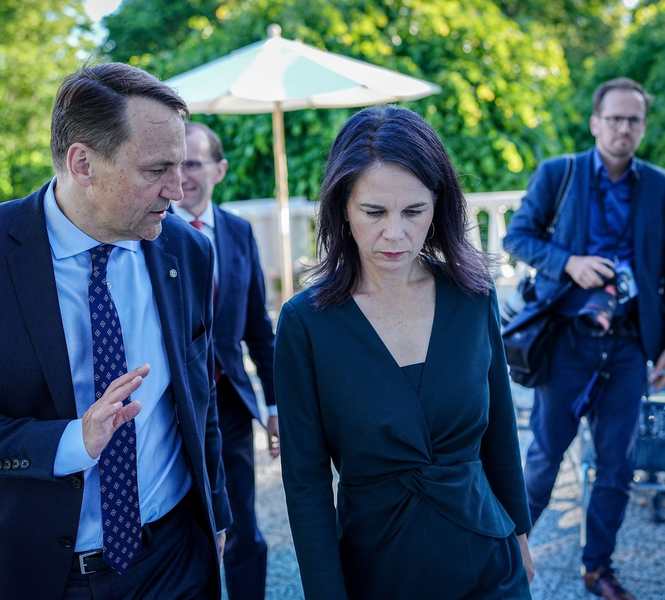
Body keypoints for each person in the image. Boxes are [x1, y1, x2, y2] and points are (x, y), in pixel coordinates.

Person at [0, 62, 232, 600]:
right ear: (82, 163)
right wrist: (68, 443)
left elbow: (197, 396)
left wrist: (216, 514)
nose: (178, 189)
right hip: (19, 572)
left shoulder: (187, 250)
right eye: (156, 170)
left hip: (170, 563)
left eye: (181, 165)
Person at [274, 105, 534, 600]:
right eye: (374, 212)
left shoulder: (473, 296)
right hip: (377, 571)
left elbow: (500, 427)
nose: (394, 233)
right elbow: (305, 482)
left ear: (438, 205)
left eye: (413, 211)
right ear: (342, 208)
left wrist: (519, 533)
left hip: (490, 564)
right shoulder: (305, 323)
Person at [504, 77, 665, 600]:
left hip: (628, 343)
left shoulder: (658, 185)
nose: (624, 128)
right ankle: (507, 559)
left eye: (633, 120)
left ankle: (598, 569)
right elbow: (516, 237)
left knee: (618, 466)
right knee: (544, 459)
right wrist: (570, 263)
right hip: (566, 339)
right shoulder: (561, 173)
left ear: (643, 126)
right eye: (614, 118)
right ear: (596, 122)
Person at [173, 121, 277, 600]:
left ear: (219, 169)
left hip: (230, 404)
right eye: (175, 163)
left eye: (193, 163)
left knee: (242, 528)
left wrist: (274, 407)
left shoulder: (238, 232)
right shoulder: (151, 231)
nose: (182, 175)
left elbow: (258, 328)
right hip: (171, 407)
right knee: (180, 529)